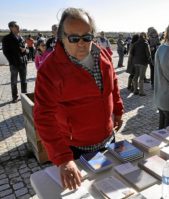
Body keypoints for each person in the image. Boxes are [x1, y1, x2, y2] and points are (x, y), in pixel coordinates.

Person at [33, 8, 124, 190]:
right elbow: (43, 117)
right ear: (61, 37)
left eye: (87, 37)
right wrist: (63, 159)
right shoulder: (49, 70)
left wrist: (119, 111)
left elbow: (113, 85)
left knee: (109, 186)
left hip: (107, 139)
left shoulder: (103, 54)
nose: (82, 44)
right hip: (76, 148)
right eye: (74, 38)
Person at [2, 21, 28, 103]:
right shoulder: (6, 38)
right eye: (16, 26)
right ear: (11, 27)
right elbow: (6, 52)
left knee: (24, 80)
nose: (18, 27)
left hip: (23, 62)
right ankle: (15, 97)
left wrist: (25, 50)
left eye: (18, 26)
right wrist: (12, 61)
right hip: (14, 64)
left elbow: (25, 50)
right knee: (14, 81)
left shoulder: (21, 37)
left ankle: (24, 95)